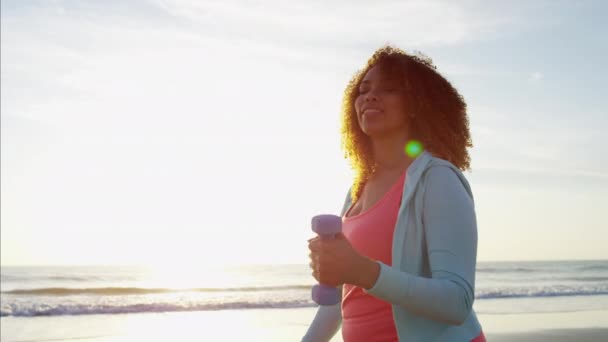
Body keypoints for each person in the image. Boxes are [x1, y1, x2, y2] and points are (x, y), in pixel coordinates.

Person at [304, 46, 486, 341]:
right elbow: (343, 298)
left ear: (416, 103)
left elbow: (456, 302)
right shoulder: (358, 189)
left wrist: (363, 271)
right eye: (363, 90)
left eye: (389, 89)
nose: (370, 96)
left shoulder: (437, 178)